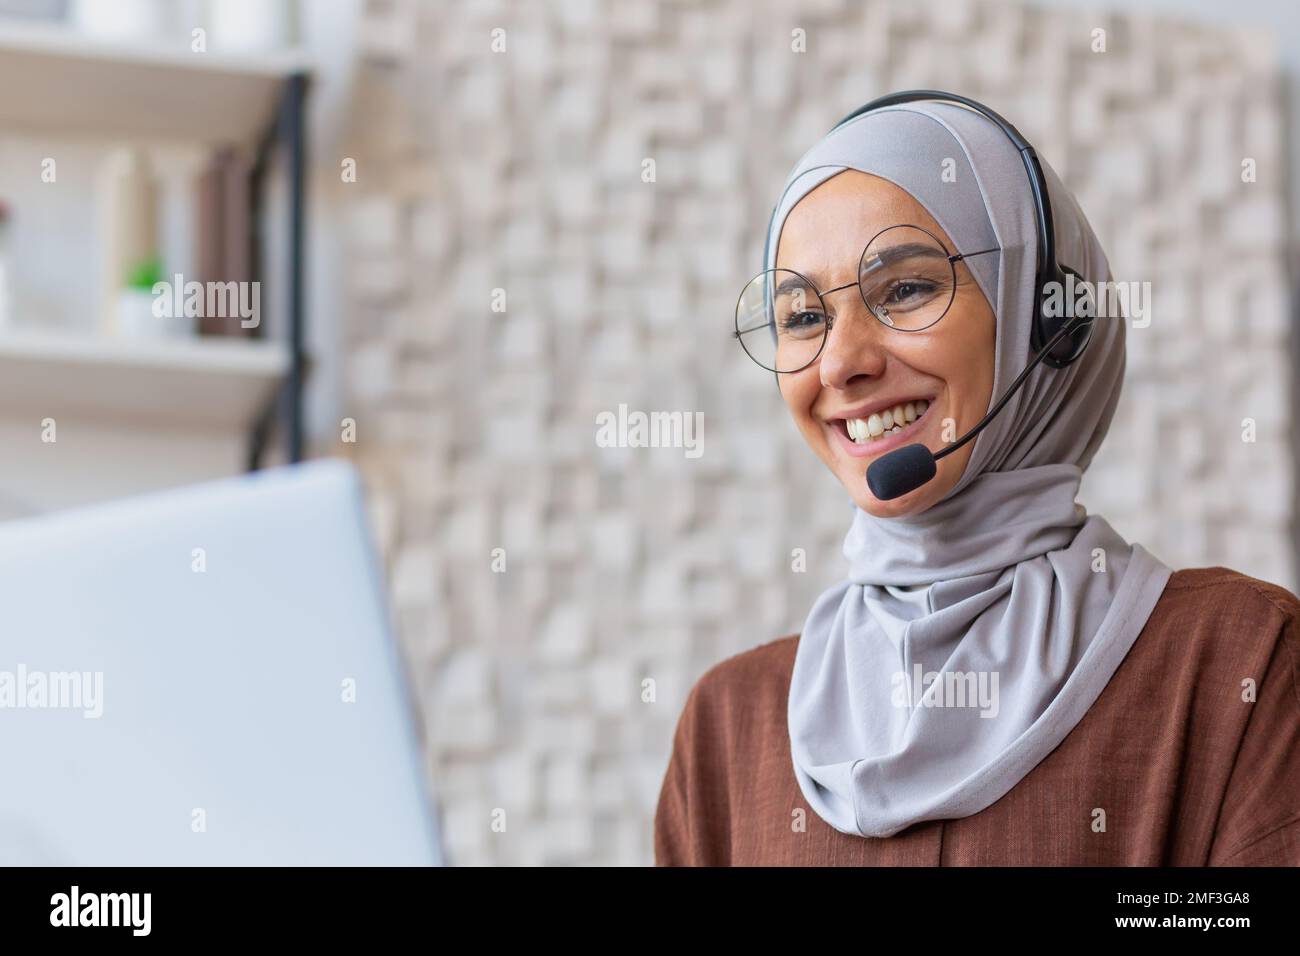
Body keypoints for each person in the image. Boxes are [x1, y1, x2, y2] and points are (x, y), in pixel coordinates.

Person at [654, 95, 1300, 866]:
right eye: (801, 317)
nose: (839, 363)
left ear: (1046, 325)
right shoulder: (727, 729)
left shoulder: (1239, 664)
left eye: (905, 289)